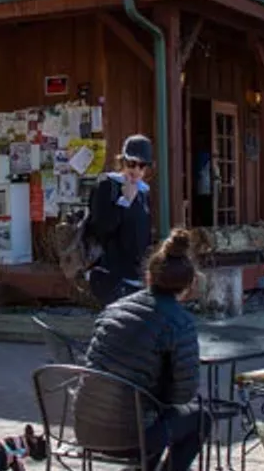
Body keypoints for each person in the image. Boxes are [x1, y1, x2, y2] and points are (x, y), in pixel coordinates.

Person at [79, 229, 207, 471]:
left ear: (149, 275)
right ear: (190, 284)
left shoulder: (113, 309)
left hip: (86, 426)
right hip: (131, 435)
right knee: (200, 419)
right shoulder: (180, 322)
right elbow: (184, 393)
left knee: (152, 414)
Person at [86, 134, 154, 306]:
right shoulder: (107, 185)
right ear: (123, 162)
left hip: (136, 275)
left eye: (142, 165)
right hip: (111, 274)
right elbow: (100, 228)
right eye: (132, 163)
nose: (136, 170)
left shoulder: (144, 193)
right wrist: (124, 202)